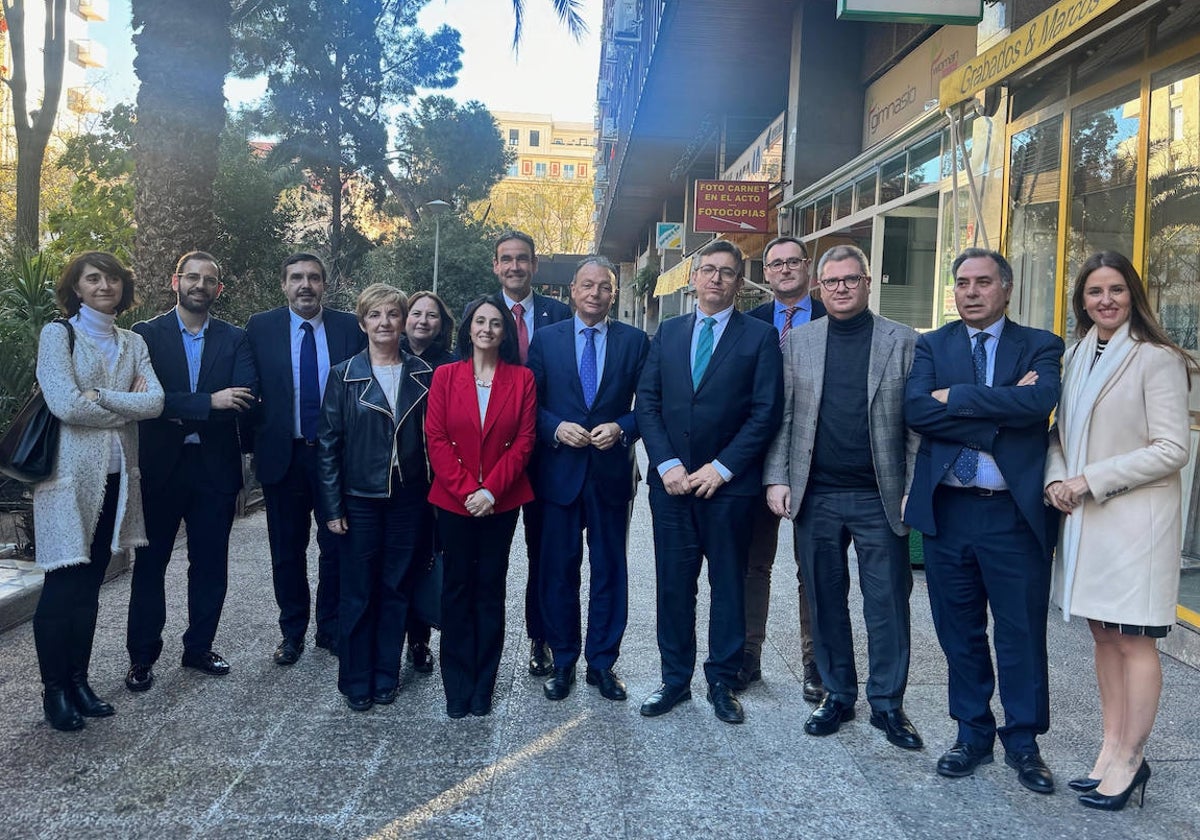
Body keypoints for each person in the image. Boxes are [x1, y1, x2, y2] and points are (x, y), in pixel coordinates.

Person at [905, 247, 1064, 794]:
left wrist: (961, 400)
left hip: (1013, 518)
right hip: (948, 514)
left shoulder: (1040, 345)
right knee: (959, 632)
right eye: (962, 283)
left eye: (982, 282)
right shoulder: (932, 344)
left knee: (1020, 633)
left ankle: (1023, 741)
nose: (970, 292)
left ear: (1007, 289)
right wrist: (1001, 406)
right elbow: (917, 411)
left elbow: (1040, 402)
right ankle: (972, 733)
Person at [1044, 251, 1192, 811]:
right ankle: (1110, 749)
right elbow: (1060, 432)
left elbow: (1172, 449)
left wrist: (1089, 480)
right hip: (1087, 518)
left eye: (1116, 290)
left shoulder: (1158, 358)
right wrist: (1058, 479)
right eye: (1094, 292)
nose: (1105, 300)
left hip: (1136, 522)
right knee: (1104, 635)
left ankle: (1132, 757)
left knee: (1135, 640)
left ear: (1134, 295)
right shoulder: (1078, 352)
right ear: (1081, 300)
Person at [763, 244, 921, 750]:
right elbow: (784, 419)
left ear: (867, 282)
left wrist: (912, 492)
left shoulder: (904, 342)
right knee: (824, 598)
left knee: (887, 602)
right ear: (819, 287)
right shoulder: (799, 343)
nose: (840, 289)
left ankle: (888, 704)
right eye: (831, 282)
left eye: (850, 279)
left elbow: (917, 429)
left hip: (881, 496)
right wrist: (777, 477)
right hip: (818, 495)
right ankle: (837, 693)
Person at [636, 240, 783, 725]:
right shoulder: (670, 332)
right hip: (673, 486)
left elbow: (765, 413)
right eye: (708, 270)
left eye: (726, 272)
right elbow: (649, 403)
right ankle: (674, 681)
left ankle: (722, 681)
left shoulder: (760, 337)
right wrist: (666, 464)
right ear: (693, 278)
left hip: (729, 488)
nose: (716, 279)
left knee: (728, 586)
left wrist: (721, 468)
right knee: (674, 587)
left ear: (740, 284)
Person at [31, 253, 164, 731]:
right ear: (77, 287)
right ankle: (55, 691)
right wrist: (125, 407)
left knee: (91, 585)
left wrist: (103, 398)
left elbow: (156, 401)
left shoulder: (131, 342)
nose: (104, 285)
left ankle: (80, 681)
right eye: (93, 278)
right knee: (63, 582)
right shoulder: (58, 335)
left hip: (116, 478)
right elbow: (65, 404)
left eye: (111, 278)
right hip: (66, 482)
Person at [126, 251, 258, 692]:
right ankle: (142, 658)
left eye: (210, 280)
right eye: (192, 277)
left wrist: (174, 406)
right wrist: (207, 402)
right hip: (159, 470)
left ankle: (198, 647)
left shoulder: (236, 338)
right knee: (150, 566)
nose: (200, 285)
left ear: (219, 289)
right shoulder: (145, 336)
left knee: (210, 566)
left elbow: (242, 398)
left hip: (214, 472)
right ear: (175, 281)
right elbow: (144, 401)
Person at [527, 257, 649, 702]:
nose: (595, 294)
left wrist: (624, 427)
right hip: (559, 472)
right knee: (558, 571)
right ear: (573, 291)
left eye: (604, 287)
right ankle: (562, 661)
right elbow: (530, 404)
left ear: (612, 294)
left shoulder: (635, 342)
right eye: (587, 286)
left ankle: (602, 663)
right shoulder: (546, 340)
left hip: (610, 473)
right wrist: (555, 428)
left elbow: (649, 404)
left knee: (610, 571)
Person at [317, 284, 435, 712]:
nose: (384, 323)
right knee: (358, 592)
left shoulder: (424, 374)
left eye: (392, 314)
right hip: (359, 499)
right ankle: (355, 678)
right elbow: (327, 445)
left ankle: (386, 674)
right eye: (375, 315)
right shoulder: (343, 375)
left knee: (396, 588)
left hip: (408, 499)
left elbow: (433, 441)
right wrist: (332, 508)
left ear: (403, 321)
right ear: (362, 322)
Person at [245, 253, 365, 666]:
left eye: (314, 278)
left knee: (336, 546)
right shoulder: (261, 328)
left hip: (337, 458)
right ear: (284, 284)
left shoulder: (350, 327)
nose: (305, 285)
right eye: (296, 277)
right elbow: (248, 388)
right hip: (284, 456)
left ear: (324, 285)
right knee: (286, 549)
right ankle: (291, 631)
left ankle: (329, 629)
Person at [426, 297, 536, 718]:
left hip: (502, 502)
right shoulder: (445, 376)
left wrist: (490, 492)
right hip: (454, 502)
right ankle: (456, 685)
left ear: (505, 333)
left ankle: (482, 687)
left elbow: (525, 441)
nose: (487, 328)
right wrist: (467, 490)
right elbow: (435, 438)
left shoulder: (522, 379)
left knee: (490, 590)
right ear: (467, 328)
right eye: (479, 321)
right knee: (456, 589)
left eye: (495, 323)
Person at [740, 235, 826, 701]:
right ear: (766, 273)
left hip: (818, 461)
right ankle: (748, 655)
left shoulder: (833, 317)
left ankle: (815, 662)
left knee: (812, 566)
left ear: (807, 269)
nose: (786, 269)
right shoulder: (750, 324)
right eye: (777, 263)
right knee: (754, 565)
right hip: (756, 462)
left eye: (794, 261)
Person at [490, 230, 571, 677]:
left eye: (523, 259)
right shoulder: (480, 314)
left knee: (545, 554)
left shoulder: (560, 313)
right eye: (507, 259)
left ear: (535, 265)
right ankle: (490, 642)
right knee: (494, 555)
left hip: (548, 455)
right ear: (496, 266)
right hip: (497, 457)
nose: (515, 266)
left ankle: (540, 638)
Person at [398, 290, 457, 673]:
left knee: (426, 561)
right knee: (395, 562)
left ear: (442, 324)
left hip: (436, 478)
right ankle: (390, 636)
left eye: (432, 315)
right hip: (392, 479)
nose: (423, 321)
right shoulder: (388, 357)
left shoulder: (451, 366)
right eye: (416, 313)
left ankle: (419, 640)